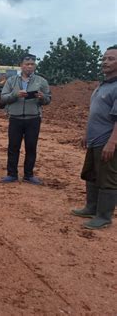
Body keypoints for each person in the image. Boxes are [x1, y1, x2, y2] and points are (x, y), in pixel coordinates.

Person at [72, 45, 117, 229]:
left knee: (108, 178)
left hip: (107, 141)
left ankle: (104, 216)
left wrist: (112, 142)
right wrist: (86, 134)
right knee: (91, 174)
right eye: (104, 58)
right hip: (94, 140)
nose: (105, 62)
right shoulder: (102, 85)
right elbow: (95, 113)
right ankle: (91, 207)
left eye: (111, 59)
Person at [0, 54, 51, 184]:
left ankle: (28, 175)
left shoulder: (41, 81)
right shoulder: (11, 81)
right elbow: (3, 98)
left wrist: (42, 97)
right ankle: (12, 174)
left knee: (31, 147)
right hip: (15, 118)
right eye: (27, 64)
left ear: (35, 66)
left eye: (32, 64)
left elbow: (48, 99)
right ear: (21, 65)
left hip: (33, 119)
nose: (29, 66)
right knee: (13, 147)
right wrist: (15, 94)